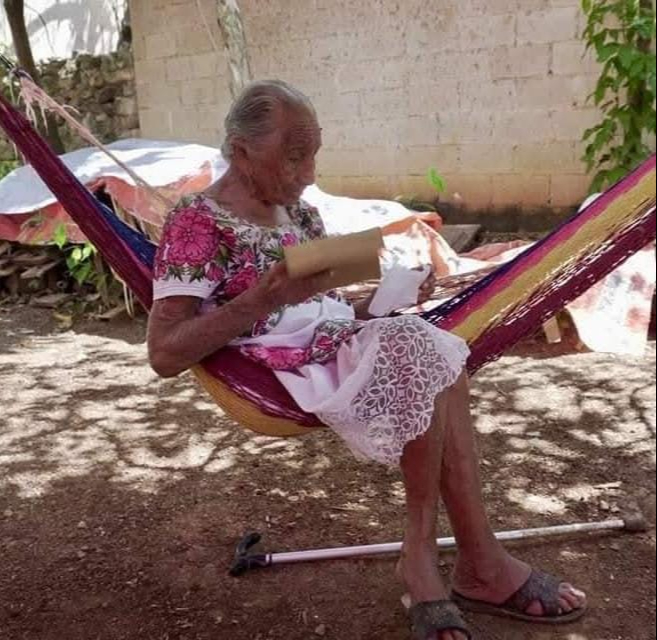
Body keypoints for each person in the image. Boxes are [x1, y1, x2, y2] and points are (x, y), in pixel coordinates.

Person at [147, 80, 587, 640]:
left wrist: (390, 295)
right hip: (274, 371)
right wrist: (263, 298)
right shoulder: (197, 222)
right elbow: (164, 353)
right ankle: (450, 560)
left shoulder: (299, 215)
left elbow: (322, 302)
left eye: (314, 154)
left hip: (334, 342)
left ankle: (470, 561)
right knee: (428, 353)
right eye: (293, 155)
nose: (308, 173)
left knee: (435, 351)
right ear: (240, 151)